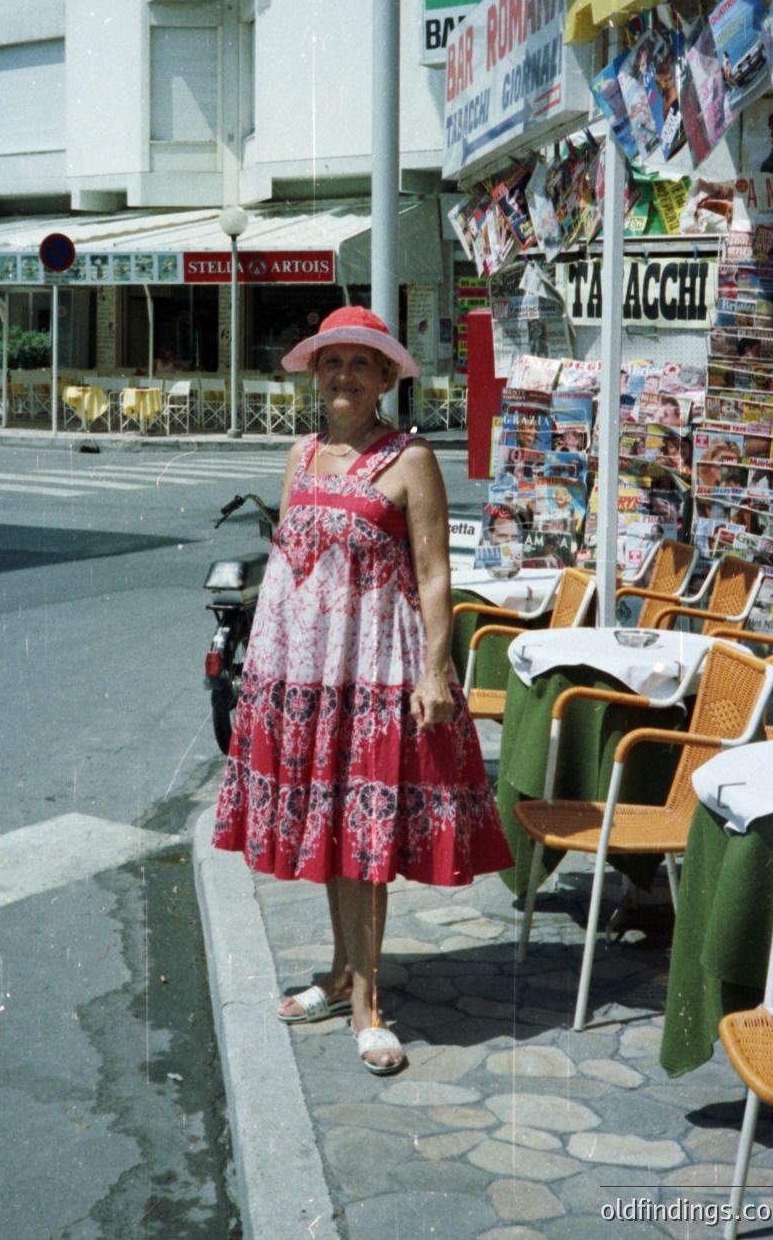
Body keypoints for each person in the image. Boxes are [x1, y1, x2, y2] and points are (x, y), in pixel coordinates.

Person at [212, 306, 512, 1075]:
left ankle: (369, 1002)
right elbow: (287, 564)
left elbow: (435, 571)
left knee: (366, 837)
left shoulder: (409, 459)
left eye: (360, 362)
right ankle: (342, 973)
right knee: (332, 830)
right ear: (317, 374)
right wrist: (265, 673)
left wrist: (434, 670)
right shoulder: (301, 453)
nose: (344, 374)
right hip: (307, 677)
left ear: (385, 377)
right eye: (331, 361)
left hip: (379, 669)